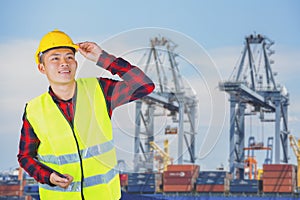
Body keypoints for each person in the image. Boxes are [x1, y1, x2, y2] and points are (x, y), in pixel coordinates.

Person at [17, 29, 155, 200]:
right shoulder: (34, 110)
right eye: (55, 58)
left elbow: (144, 86)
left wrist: (102, 58)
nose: (64, 63)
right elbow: (25, 157)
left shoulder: (100, 91)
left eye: (69, 57)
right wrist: (49, 177)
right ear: (41, 67)